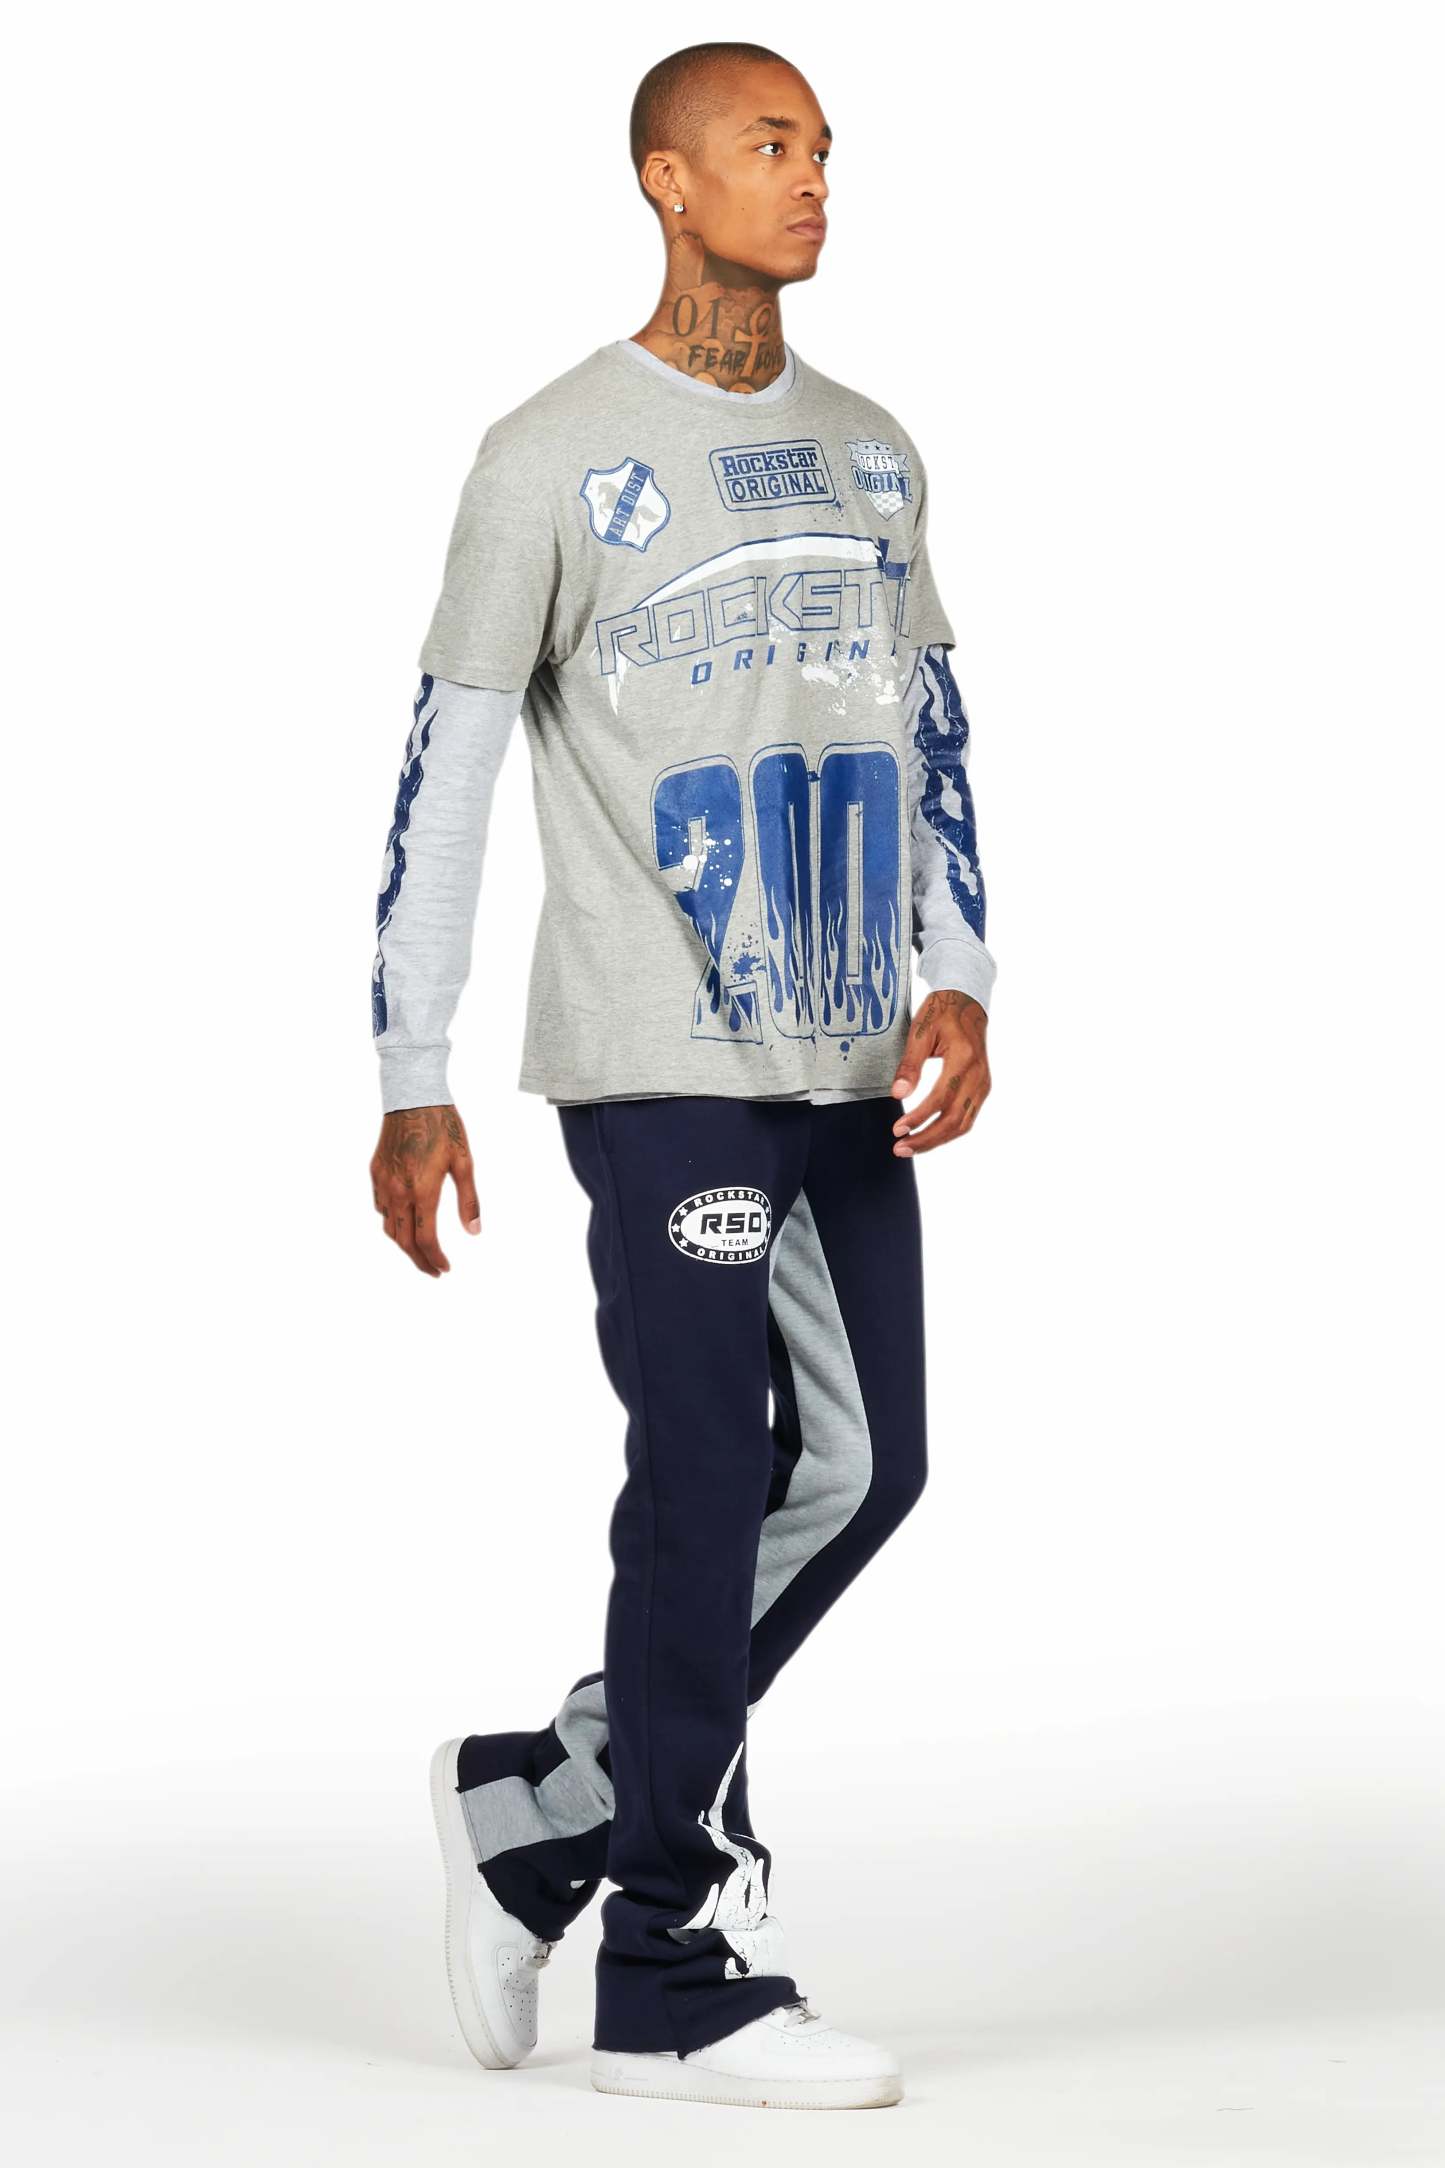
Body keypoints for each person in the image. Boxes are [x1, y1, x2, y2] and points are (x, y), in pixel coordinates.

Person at [369, 41, 995, 2112]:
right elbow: (449, 769)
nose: (810, 178)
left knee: (866, 1467)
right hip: (657, 1046)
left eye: (821, 148)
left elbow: (926, 731)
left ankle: (544, 1801)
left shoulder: (875, 452)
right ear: (664, 178)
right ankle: (668, 1966)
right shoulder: (549, 455)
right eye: (766, 144)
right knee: (711, 1465)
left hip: (849, 1049)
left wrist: (962, 973)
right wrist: (411, 1063)